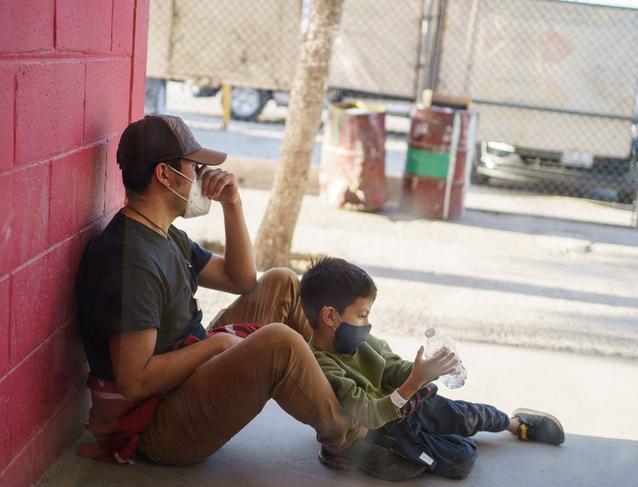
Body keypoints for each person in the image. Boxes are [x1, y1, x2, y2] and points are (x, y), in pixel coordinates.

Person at [75, 115, 364, 466]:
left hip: (185, 379)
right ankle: (350, 438)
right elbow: (134, 382)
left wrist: (233, 204)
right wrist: (215, 345)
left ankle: (349, 387)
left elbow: (241, 280)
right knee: (280, 342)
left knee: (281, 282)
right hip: (156, 423)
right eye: (194, 167)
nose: (200, 178)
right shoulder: (132, 262)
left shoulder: (164, 235)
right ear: (165, 175)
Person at [300, 257, 565, 480]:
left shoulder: (363, 340)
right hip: (379, 431)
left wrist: (424, 369)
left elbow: (391, 368)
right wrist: (414, 383)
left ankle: (514, 423)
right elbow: (368, 414)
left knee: (462, 415)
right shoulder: (321, 366)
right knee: (461, 459)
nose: (368, 323)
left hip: (405, 406)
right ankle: (341, 452)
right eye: (362, 315)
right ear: (331, 317)